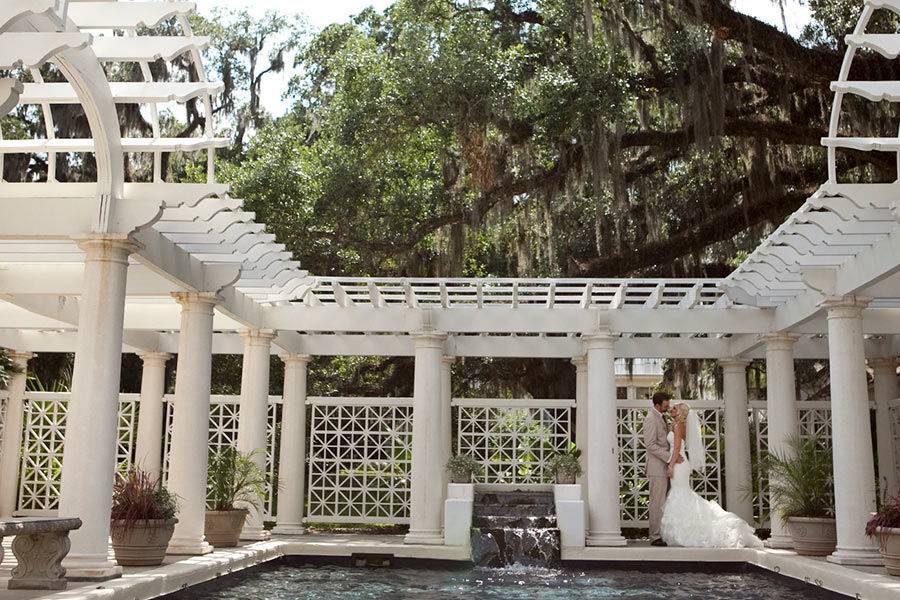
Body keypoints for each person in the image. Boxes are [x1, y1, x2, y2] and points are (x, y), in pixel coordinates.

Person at [660, 402, 763, 548]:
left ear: (681, 412)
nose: (671, 409)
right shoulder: (679, 425)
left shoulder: (678, 426)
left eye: (675, 408)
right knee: (682, 493)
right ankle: (685, 528)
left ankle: (687, 530)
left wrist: (670, 465)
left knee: (680, 493)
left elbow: (677, 447)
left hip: (678, 464)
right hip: (680, 462)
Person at [642, 391, 677, 547]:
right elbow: (650, 445)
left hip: (666, 466)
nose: (668, 407)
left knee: (665, 502)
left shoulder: (662, 417)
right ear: (657, 405)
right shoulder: (651, 419)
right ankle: (654, 536)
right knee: (657, 502)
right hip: (657, 467)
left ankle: (662, 533)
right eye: (665, 405)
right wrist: (669, 457)